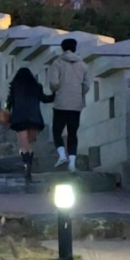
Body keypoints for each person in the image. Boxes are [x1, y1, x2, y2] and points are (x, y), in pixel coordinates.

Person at [5, 67, 54, 183]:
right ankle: (29, 165)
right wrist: (56, 94)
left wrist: (5, 111)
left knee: (23, 145)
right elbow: (45, 99)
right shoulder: (36, 87)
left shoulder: (15, 88)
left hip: (19, 119)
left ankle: (26, 164)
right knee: (31, 143)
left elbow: (8, 103)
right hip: (34, 119)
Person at [48, 37, 90, 171]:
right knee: (73, 133)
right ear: (75, 48)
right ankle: (72, 163)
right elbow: (87, 85)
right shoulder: (83, 65)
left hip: (60, 103)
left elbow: (54, 83)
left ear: (62, 48)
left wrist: (56, 90)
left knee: (56, 131)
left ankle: (62, 155)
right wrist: (79, 93)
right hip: (76, 104)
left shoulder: (57, 63)